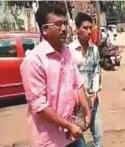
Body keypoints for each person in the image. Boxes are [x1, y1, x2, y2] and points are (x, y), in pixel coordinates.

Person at [20, 3, 91, 147]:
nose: (64, 29)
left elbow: (77, 84)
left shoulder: (66, 52)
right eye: (58, 25)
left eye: (65, 23)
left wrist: (87, 113)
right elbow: (40, 106)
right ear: (45, 29)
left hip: (73, 136)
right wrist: (69, 126)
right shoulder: (33, 61)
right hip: (51, 141)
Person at [69, 12, 103, 147]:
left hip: (92, 98)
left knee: (98, 133)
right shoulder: (69, 51)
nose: (89, 31)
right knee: (76, 134)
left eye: (90, 28)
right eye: (85, 28)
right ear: (77, 29)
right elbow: (69, 78)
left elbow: (96, 72)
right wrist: (79, 100)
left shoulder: (94, 49)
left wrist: (94, 95)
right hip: (76, 102)